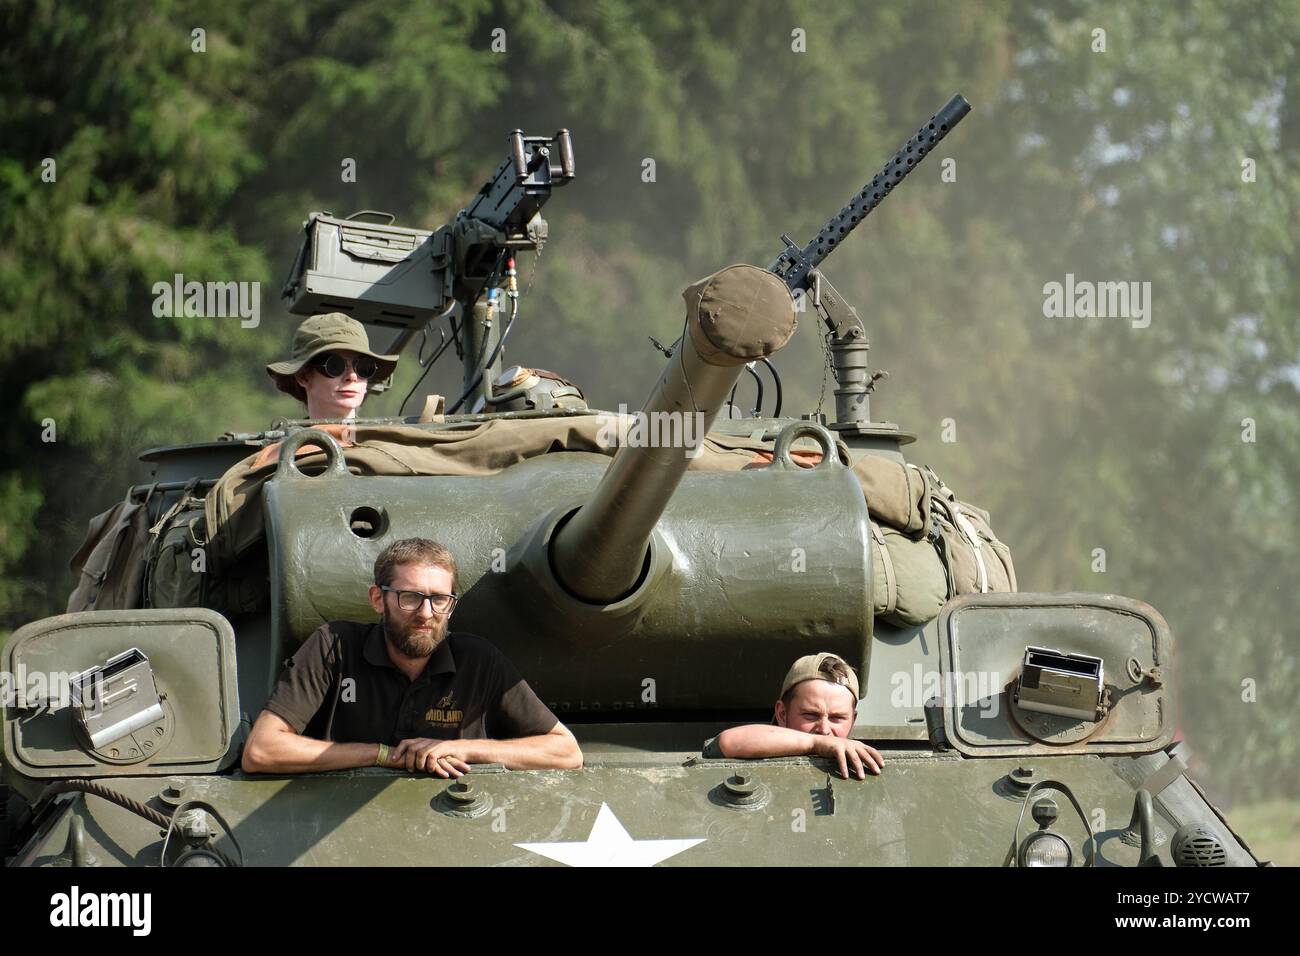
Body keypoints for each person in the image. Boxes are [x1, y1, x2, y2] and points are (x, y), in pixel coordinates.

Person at [241, 537, 582, 776]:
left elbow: (566, 751)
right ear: (378, 599)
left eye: (439, 599)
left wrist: (464, 749)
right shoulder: (334, 645)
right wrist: (382, 755)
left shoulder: (478, 661)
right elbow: (262, 751)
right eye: (410, 597)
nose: (425, 613)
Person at [702, 652, 884, 780]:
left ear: (853, 720)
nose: (824, 729)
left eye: (837, 718)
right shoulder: (758, 741)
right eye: (810, 715)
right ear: (782, 713)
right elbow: (728, 742)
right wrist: (815, 743)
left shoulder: (865, 761)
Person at [265, 312, 399, 420]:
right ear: (304, 376)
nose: (352, 376)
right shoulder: (280, 451)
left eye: (363, 367)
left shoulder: (385, 448)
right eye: (335, 366)